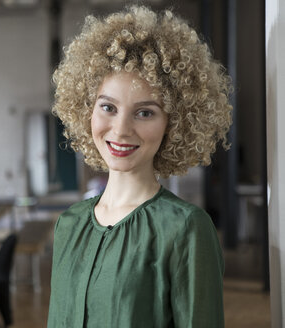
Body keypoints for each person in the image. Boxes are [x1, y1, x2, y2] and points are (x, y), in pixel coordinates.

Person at [47, 6, 232, 328]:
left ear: (174, 124)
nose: (120, 130)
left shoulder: (185, 229)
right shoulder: (69, 225)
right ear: (86, 110)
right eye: (108, 107)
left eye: (145, 112)